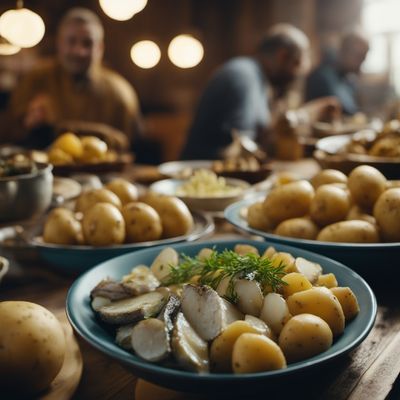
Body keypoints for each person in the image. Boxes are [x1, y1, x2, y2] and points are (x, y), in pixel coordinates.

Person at [2, 7, 142, 149]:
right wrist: (27, 122)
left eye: (87, 43)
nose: (79, 51)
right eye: (71, 41)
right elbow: (7, 132)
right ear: (59, 43)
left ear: (100, 48)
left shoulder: (119, 92)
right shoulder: (35, 79)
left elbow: (131, 146)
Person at [180, 24, 313, 160]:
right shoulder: (244, 76)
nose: (297, 75)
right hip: (201, 172)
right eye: (296, 64)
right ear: (282, 57)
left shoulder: (256, 79)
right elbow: (240, 146)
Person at [305, 31, 369, 115]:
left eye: (364, 58)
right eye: (359, 56)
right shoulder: (320, 77)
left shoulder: (349, 80)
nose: (361, 63)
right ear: (343, 51)